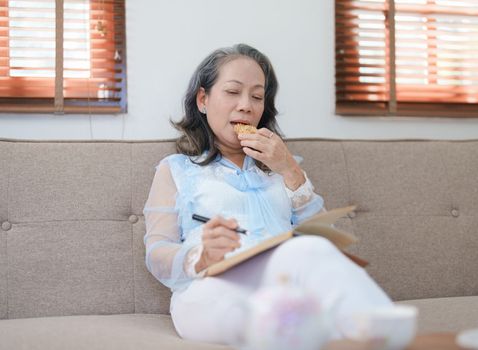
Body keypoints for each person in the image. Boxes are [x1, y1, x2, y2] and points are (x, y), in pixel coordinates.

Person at [143, 43, 393, 346]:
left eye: (257, 96)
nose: (246, 105)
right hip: (210, 287)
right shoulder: (177, 169)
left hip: (285, 285)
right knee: (269, 311)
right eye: (233, 92)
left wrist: (290, 170)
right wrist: (200, 256)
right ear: (203, 99)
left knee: (311, 253)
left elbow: (326, 245)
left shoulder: (282, 168)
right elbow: (157, 252)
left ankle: (388, 334)